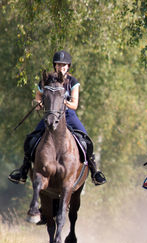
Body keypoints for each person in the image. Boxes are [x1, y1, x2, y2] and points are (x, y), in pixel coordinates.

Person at [8, 50, 106, 186]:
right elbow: (38, 96)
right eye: (58, 65)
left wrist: (61, 101)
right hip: (51, 114)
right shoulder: (46, 79)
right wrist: (39, 103)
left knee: (86, 140)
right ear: (55, 66)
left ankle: (95, 172)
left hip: (68, 115)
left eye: (63, 65)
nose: (61, 67)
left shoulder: (72, 81)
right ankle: (23, 171)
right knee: (32, 139)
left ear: (68, 66)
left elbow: (74, 104)